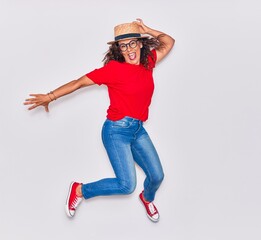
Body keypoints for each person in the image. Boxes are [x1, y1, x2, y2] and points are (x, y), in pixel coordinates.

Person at [24, 19, 175, 222]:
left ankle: (147, 198)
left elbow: (169, 41)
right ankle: (79, 190)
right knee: (126, 185)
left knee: (157, 176)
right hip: (116, 132)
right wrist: (49, 96)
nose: (129, 49)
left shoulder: (148, 62)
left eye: (132, 43)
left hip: (138, 130)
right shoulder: (113, 70)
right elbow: (79, 83)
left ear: (140, 43)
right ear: (119, 49)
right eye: (123, 45)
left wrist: (147, 29)